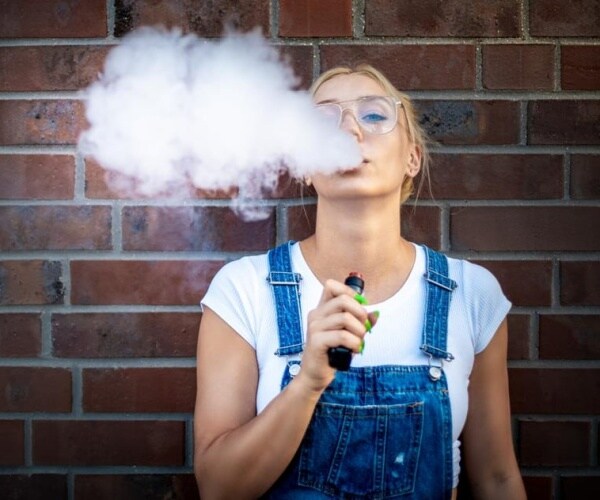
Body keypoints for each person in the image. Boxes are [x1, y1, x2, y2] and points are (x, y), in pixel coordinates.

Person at [193, 64, 527, 499]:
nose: (349, 129)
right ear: (304, 167)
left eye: (373, 115)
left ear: (412, 157)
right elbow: (218, 488)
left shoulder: (472, 295)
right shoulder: (242, 289)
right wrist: (309, 381)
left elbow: (497, 480)